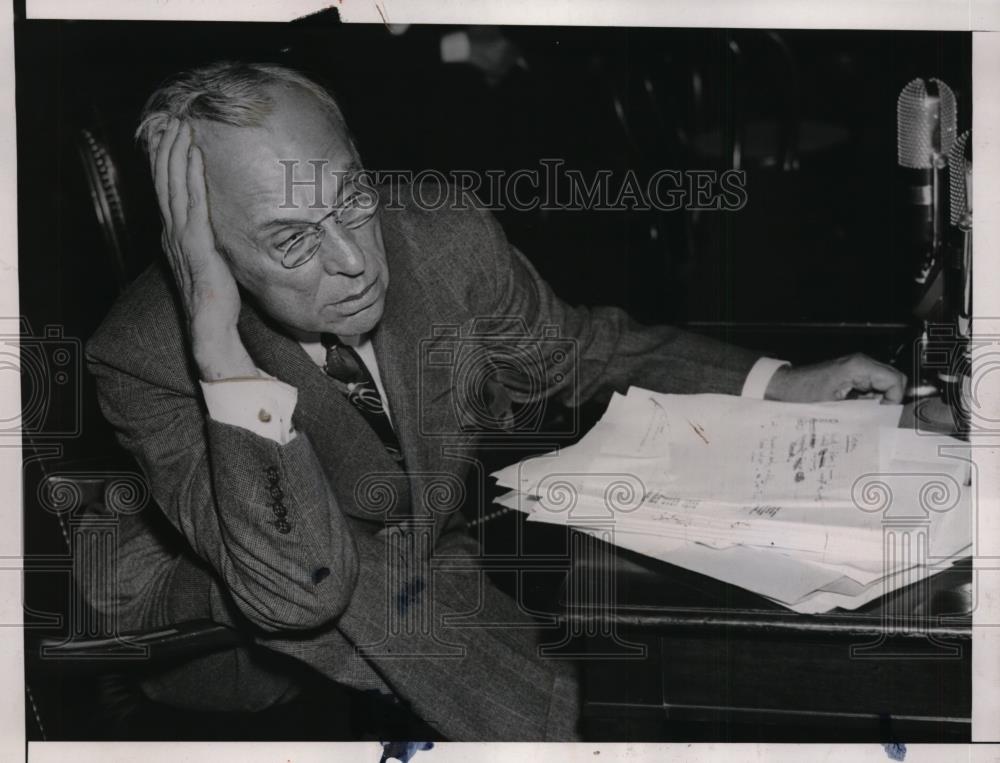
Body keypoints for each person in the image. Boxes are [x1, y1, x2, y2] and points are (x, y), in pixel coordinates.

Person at [82, 60, 907, 742]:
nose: (354, 259)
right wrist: (217, 343)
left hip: (427, 571)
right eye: (293, 238)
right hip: (236, 620)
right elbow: (304, 588)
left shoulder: (438, 235)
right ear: (208, 253)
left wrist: (780, 382)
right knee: (348, 569)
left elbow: (578, 350)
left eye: (352, 197)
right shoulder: (144, 354)